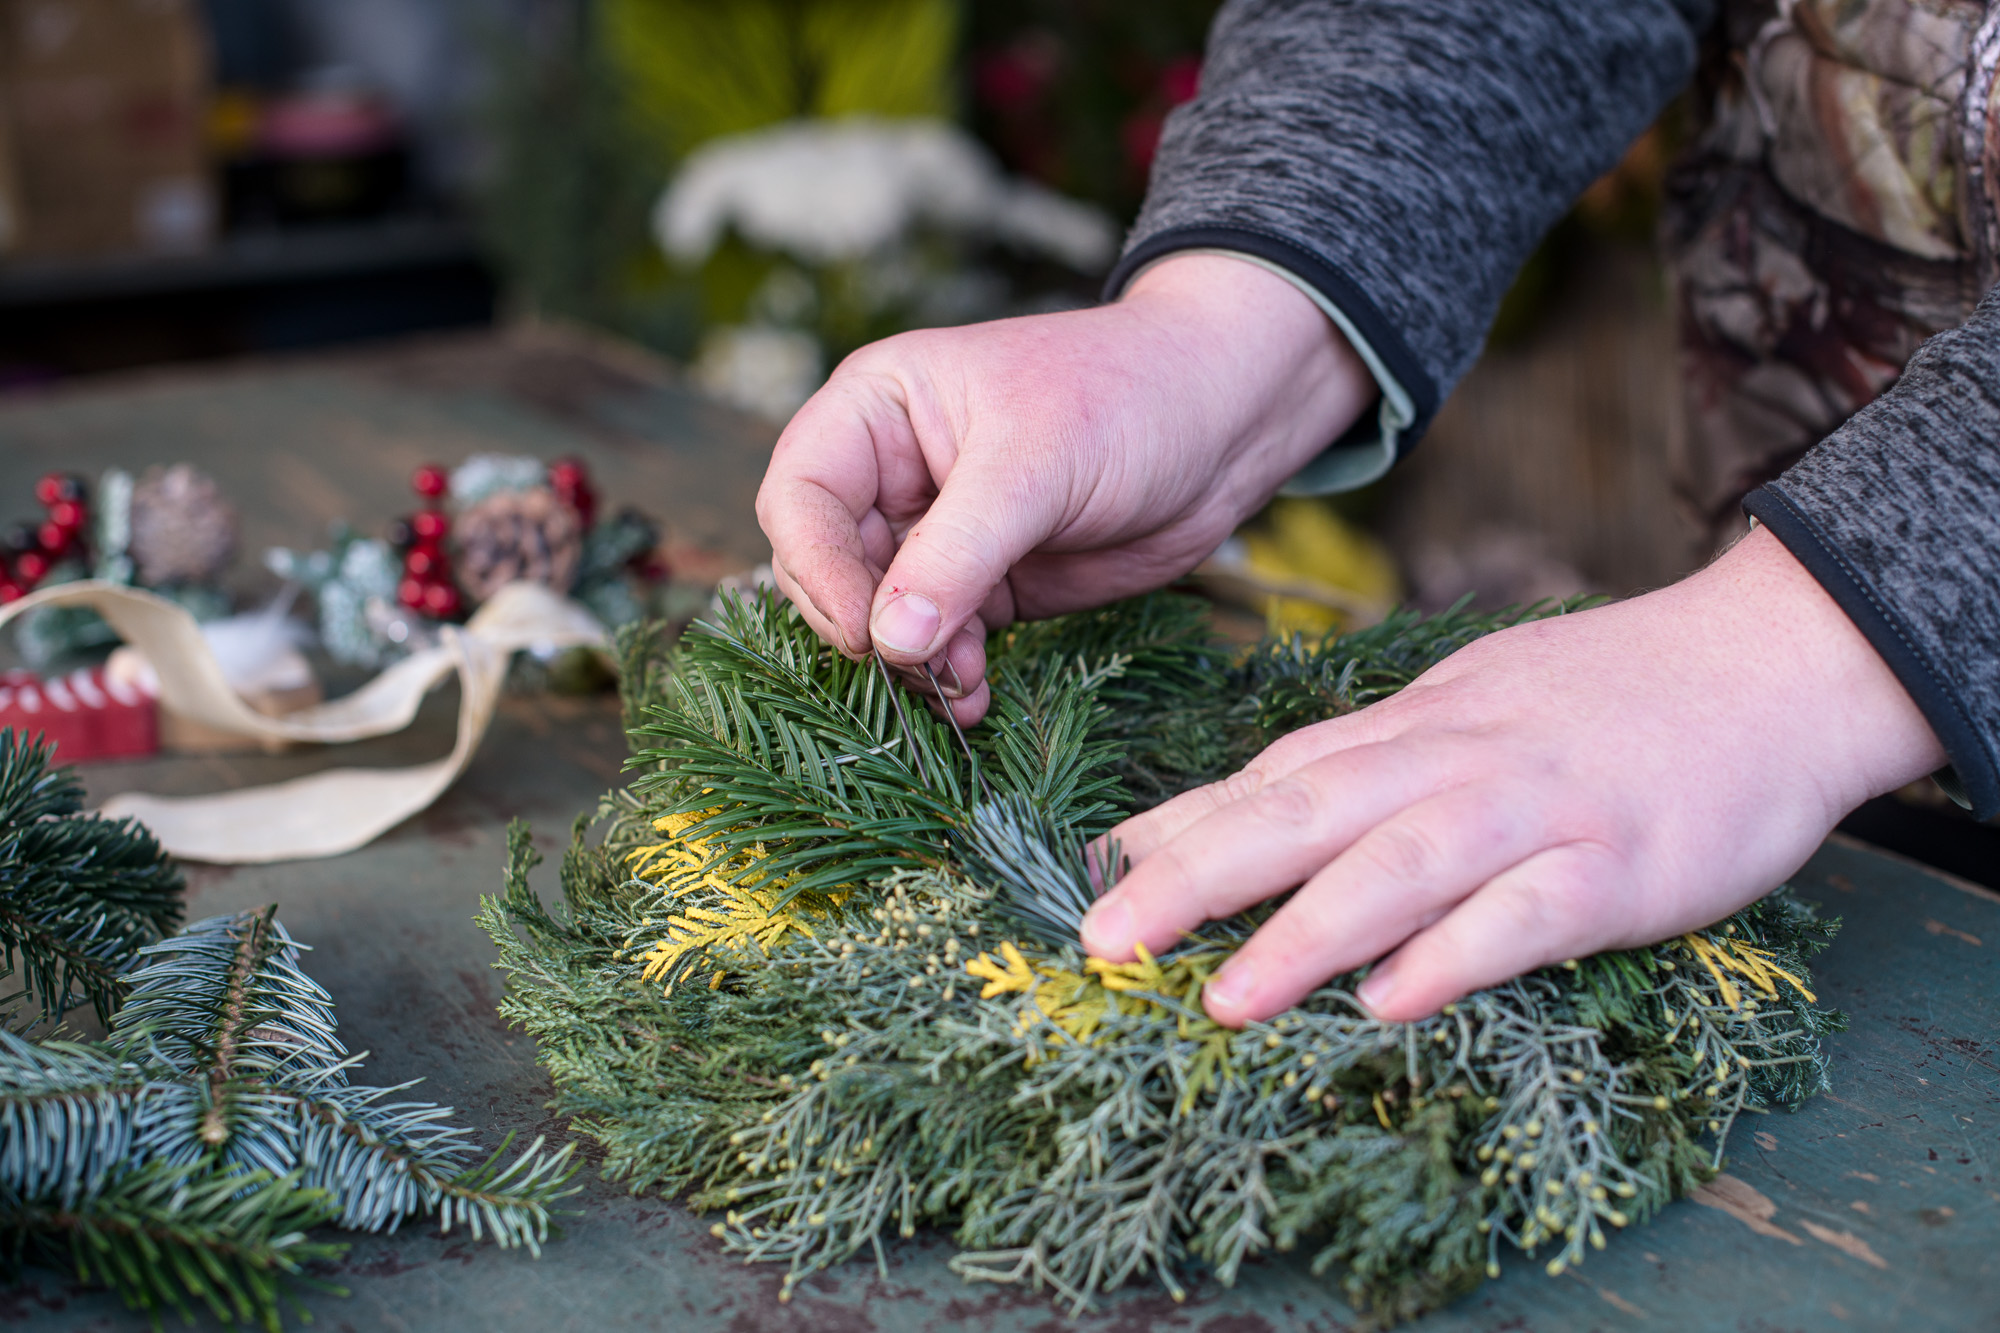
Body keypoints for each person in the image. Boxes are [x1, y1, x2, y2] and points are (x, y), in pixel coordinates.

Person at [755, 1, 1998, 1028]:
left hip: (1796, 689)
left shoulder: (1786, 673)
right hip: (1796, 769)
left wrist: (1811, 645)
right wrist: (1234, 324)